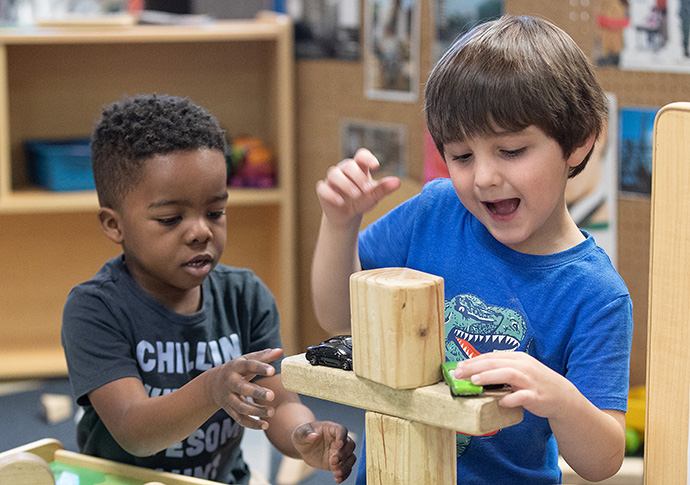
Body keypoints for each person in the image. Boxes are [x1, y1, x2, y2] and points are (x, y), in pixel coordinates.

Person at [311, 15, 632, 484]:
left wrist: (559, 398)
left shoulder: (597, 294)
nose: (483, 177)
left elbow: (602, 461)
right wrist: (339, 225)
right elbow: (337, 314)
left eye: (512, 151)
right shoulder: (436, 210)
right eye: (461, 156)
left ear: (579, 143)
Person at [62, 94, 356, 485]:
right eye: (170, 218)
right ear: (114, 225)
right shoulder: (95, 308)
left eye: (215, 212)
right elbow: (134, 431)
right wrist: (212, 389)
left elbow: (278, 403)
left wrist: (305, 434)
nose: (201, 231)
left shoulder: (246, 297)